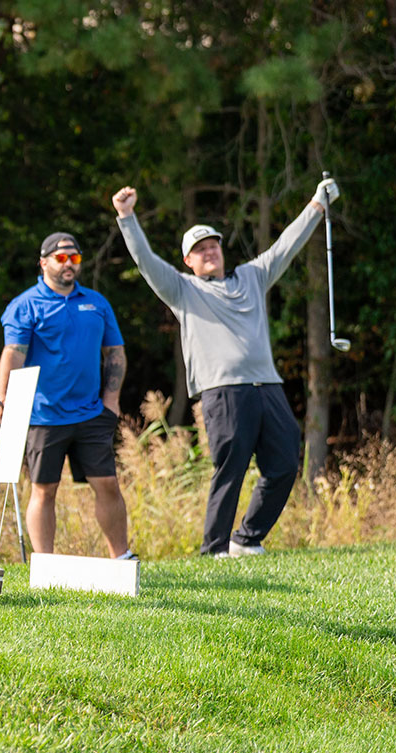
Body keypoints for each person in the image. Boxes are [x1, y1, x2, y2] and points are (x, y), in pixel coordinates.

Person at [111, 178, 340, 557]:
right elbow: (146, 262)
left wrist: (317, 204)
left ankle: (246, 539)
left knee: (285, 463)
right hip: (223, 391)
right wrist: (126, 216)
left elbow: (287, 244)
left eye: (213, 245)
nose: (209, 252)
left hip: (267, 385)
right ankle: (214, 547)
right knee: (230, 468)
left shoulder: (252, 275)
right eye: (200, 249)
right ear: (188, 261)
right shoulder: (183, 290)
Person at [0, 232, 136, 560]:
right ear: (43, 263)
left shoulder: (97, 303)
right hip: (43, 414)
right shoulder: (26, 305)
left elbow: (115, 352)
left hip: (91, 413)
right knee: (44, 490)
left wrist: (111, 400)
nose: (68, 263)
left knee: (108, 484)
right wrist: (2, 397)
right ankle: (45, 563)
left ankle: (121, 557)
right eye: (61, 258)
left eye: (75, 257)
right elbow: (13, 353)